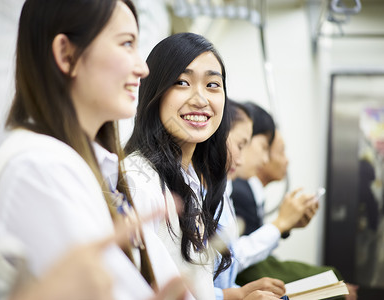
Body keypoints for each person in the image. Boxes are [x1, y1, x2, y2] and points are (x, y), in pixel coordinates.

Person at [0, 0, 189, 299]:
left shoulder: (88, 166)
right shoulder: (40, 168)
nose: (143, 67)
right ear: (66, 54)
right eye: (126, 43)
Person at [124, 32, 281, 300]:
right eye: (182, 82)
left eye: (212, 85)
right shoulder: (138, 180)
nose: (200, 99)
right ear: (155, 92)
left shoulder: (191, 179)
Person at [231, 103, 357, 299]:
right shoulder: (237, 190)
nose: (265, 159)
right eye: (275, 150)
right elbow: (240, 259)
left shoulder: (239, 190)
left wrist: (285, 225)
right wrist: (281, 224)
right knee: (335, 287)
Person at [214, 100, 287, 300]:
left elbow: (226, 262)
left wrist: (241, 292)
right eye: (241, 145)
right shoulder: (232, 192)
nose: (265, 159)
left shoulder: (223, 192)